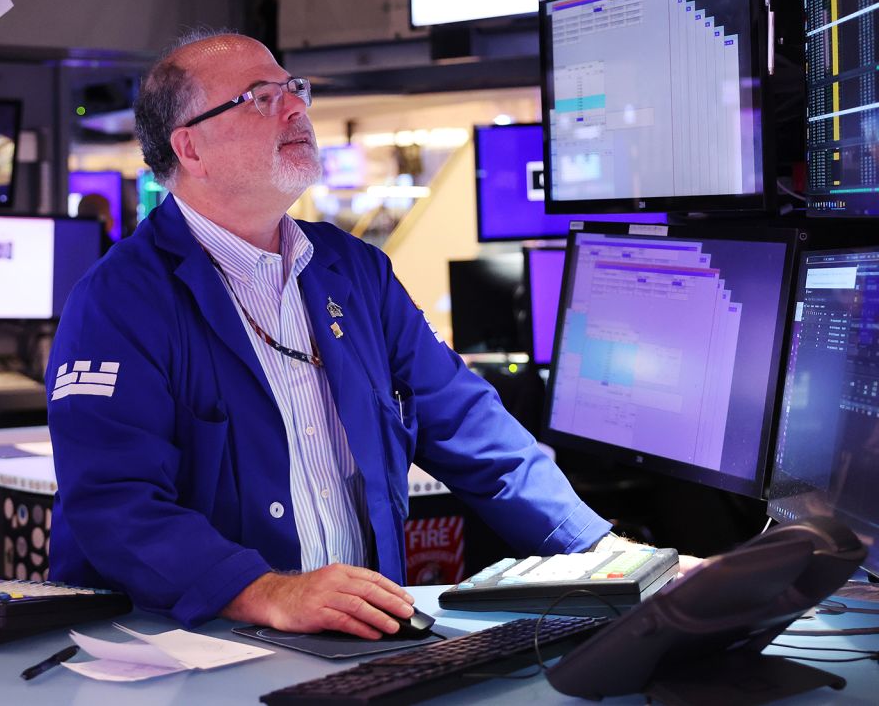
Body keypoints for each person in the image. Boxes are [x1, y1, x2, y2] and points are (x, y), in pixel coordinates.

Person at [47, 31, 622, 639]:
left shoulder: (354, 271)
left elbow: (465, 420)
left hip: (355, 644)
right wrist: (265, 591)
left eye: (293, 89)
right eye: (259, 97)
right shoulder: (119, 300)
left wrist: (601, 554)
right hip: (191, 648)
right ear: (190, 147)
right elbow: (114, 504)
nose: (296, 107)